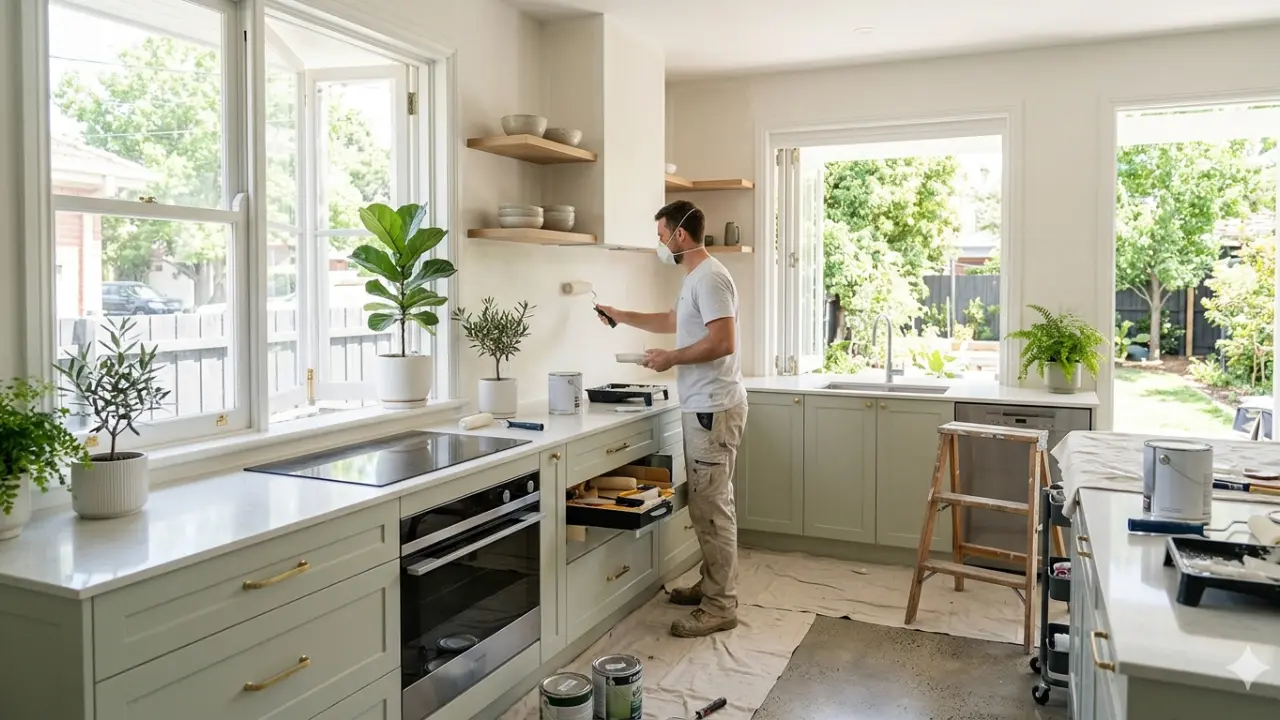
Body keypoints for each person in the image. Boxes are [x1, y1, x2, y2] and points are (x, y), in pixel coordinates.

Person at [595, 200, 748, 638]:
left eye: (661, 235)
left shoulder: (712, 277)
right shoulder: (694, 279)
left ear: (680, 235)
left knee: (713, 508)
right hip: (704, 406)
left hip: (712, 408)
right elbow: (670, 319)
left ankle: (721, 605)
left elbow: (723, 341)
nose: (659, 244)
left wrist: (670, 359)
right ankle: (712, 586)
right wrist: (620, 315)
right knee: (706, 505)